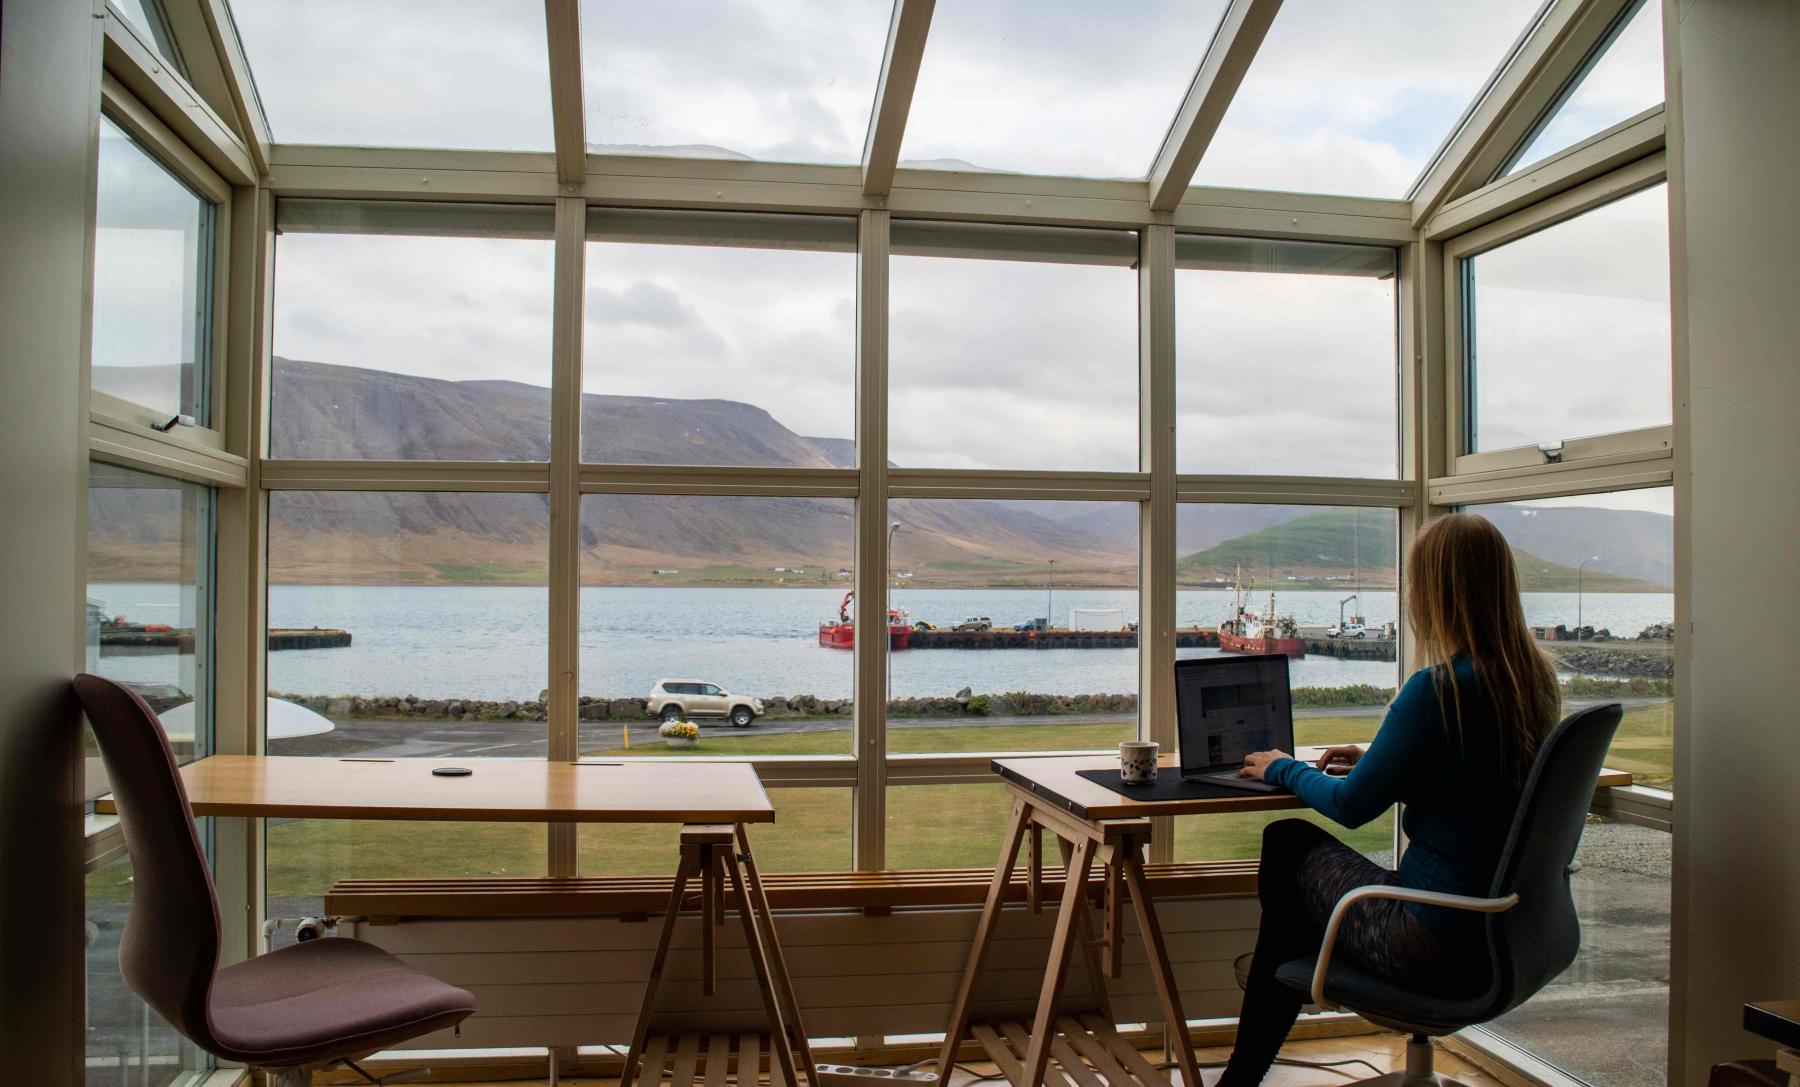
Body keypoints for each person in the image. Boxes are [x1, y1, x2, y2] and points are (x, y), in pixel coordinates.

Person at [1215, 513, 1562, 1086]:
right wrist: (1383, 759)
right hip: (1512, 935)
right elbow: (1474, 778)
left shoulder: (1437, 690)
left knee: (1287, 842)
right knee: (1293, 910)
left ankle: (1255, 1047)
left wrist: (1283, 768)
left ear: (1433, 593)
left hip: (1428, 941)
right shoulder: (1533, 683)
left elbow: (1351, 807)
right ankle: (1282, 982)